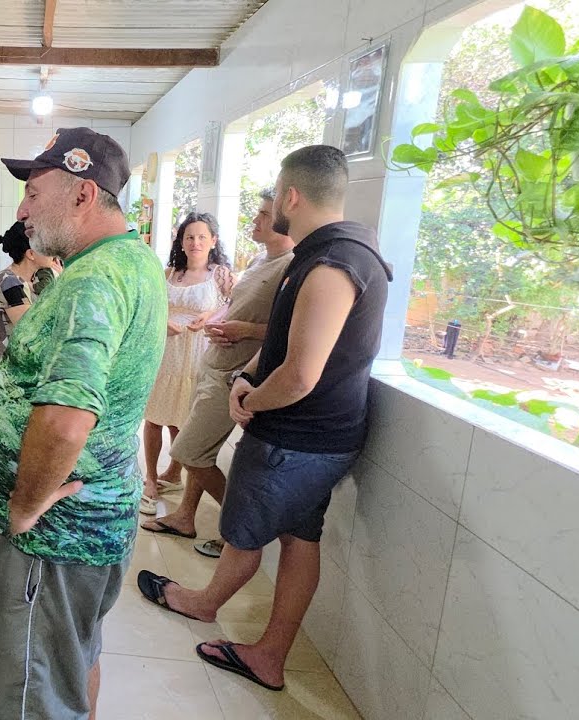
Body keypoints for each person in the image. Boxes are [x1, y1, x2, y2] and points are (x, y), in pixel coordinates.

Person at [135, 145, 392, 693]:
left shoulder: (331, 265)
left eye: (274, 195)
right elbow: (282, 343)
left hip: (296, 435)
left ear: (291, 196)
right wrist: (245, 376)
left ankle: (205, 605)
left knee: (245, 532)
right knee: (301, 540)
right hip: (320, 433)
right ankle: (271, 653)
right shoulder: (335, 253)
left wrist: (249, 399)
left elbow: (300, 374)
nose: (270, 205)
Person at [0, 127, 166, 720]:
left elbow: (64, 419)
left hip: (55, 536)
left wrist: (26, 507)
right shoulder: (124, 260)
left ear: (82, 194)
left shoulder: (93, 281)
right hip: (90, 525)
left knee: (32, 695)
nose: (21, 210)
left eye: (33, 192)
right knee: (71, 663)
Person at [141, 189, 296, 557]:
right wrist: (223, 323)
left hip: (228, 370)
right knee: (179, 434)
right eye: (188, 236)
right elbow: (236, 309)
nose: (254, 220)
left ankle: (244, 527)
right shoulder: (261, 260)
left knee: (190, 445)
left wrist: (231, 326)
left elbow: (284, 329)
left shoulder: (288, 266)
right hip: (206, 360)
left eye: (262, 214)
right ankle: (186, 514)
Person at [139, 213, 234, 515]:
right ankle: (151, 478)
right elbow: (151, 308)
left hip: (198, 353)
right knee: (155, 416)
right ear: (181, 241)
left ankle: (175, 472)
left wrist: (210, 317)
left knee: (184, 417)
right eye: (189, 237)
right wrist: (164, 322)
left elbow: (236, 306)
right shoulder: (167, 274)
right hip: (166, 351)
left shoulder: (221, 275)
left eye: (202, 237)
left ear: (213, 241)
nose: (195, 243)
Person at [0, 220, 60, 353]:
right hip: (19, 369)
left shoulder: (36, 279)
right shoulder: (9, 282)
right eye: (46, 247)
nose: (53, 252)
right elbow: (32, 332)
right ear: (31, 254)